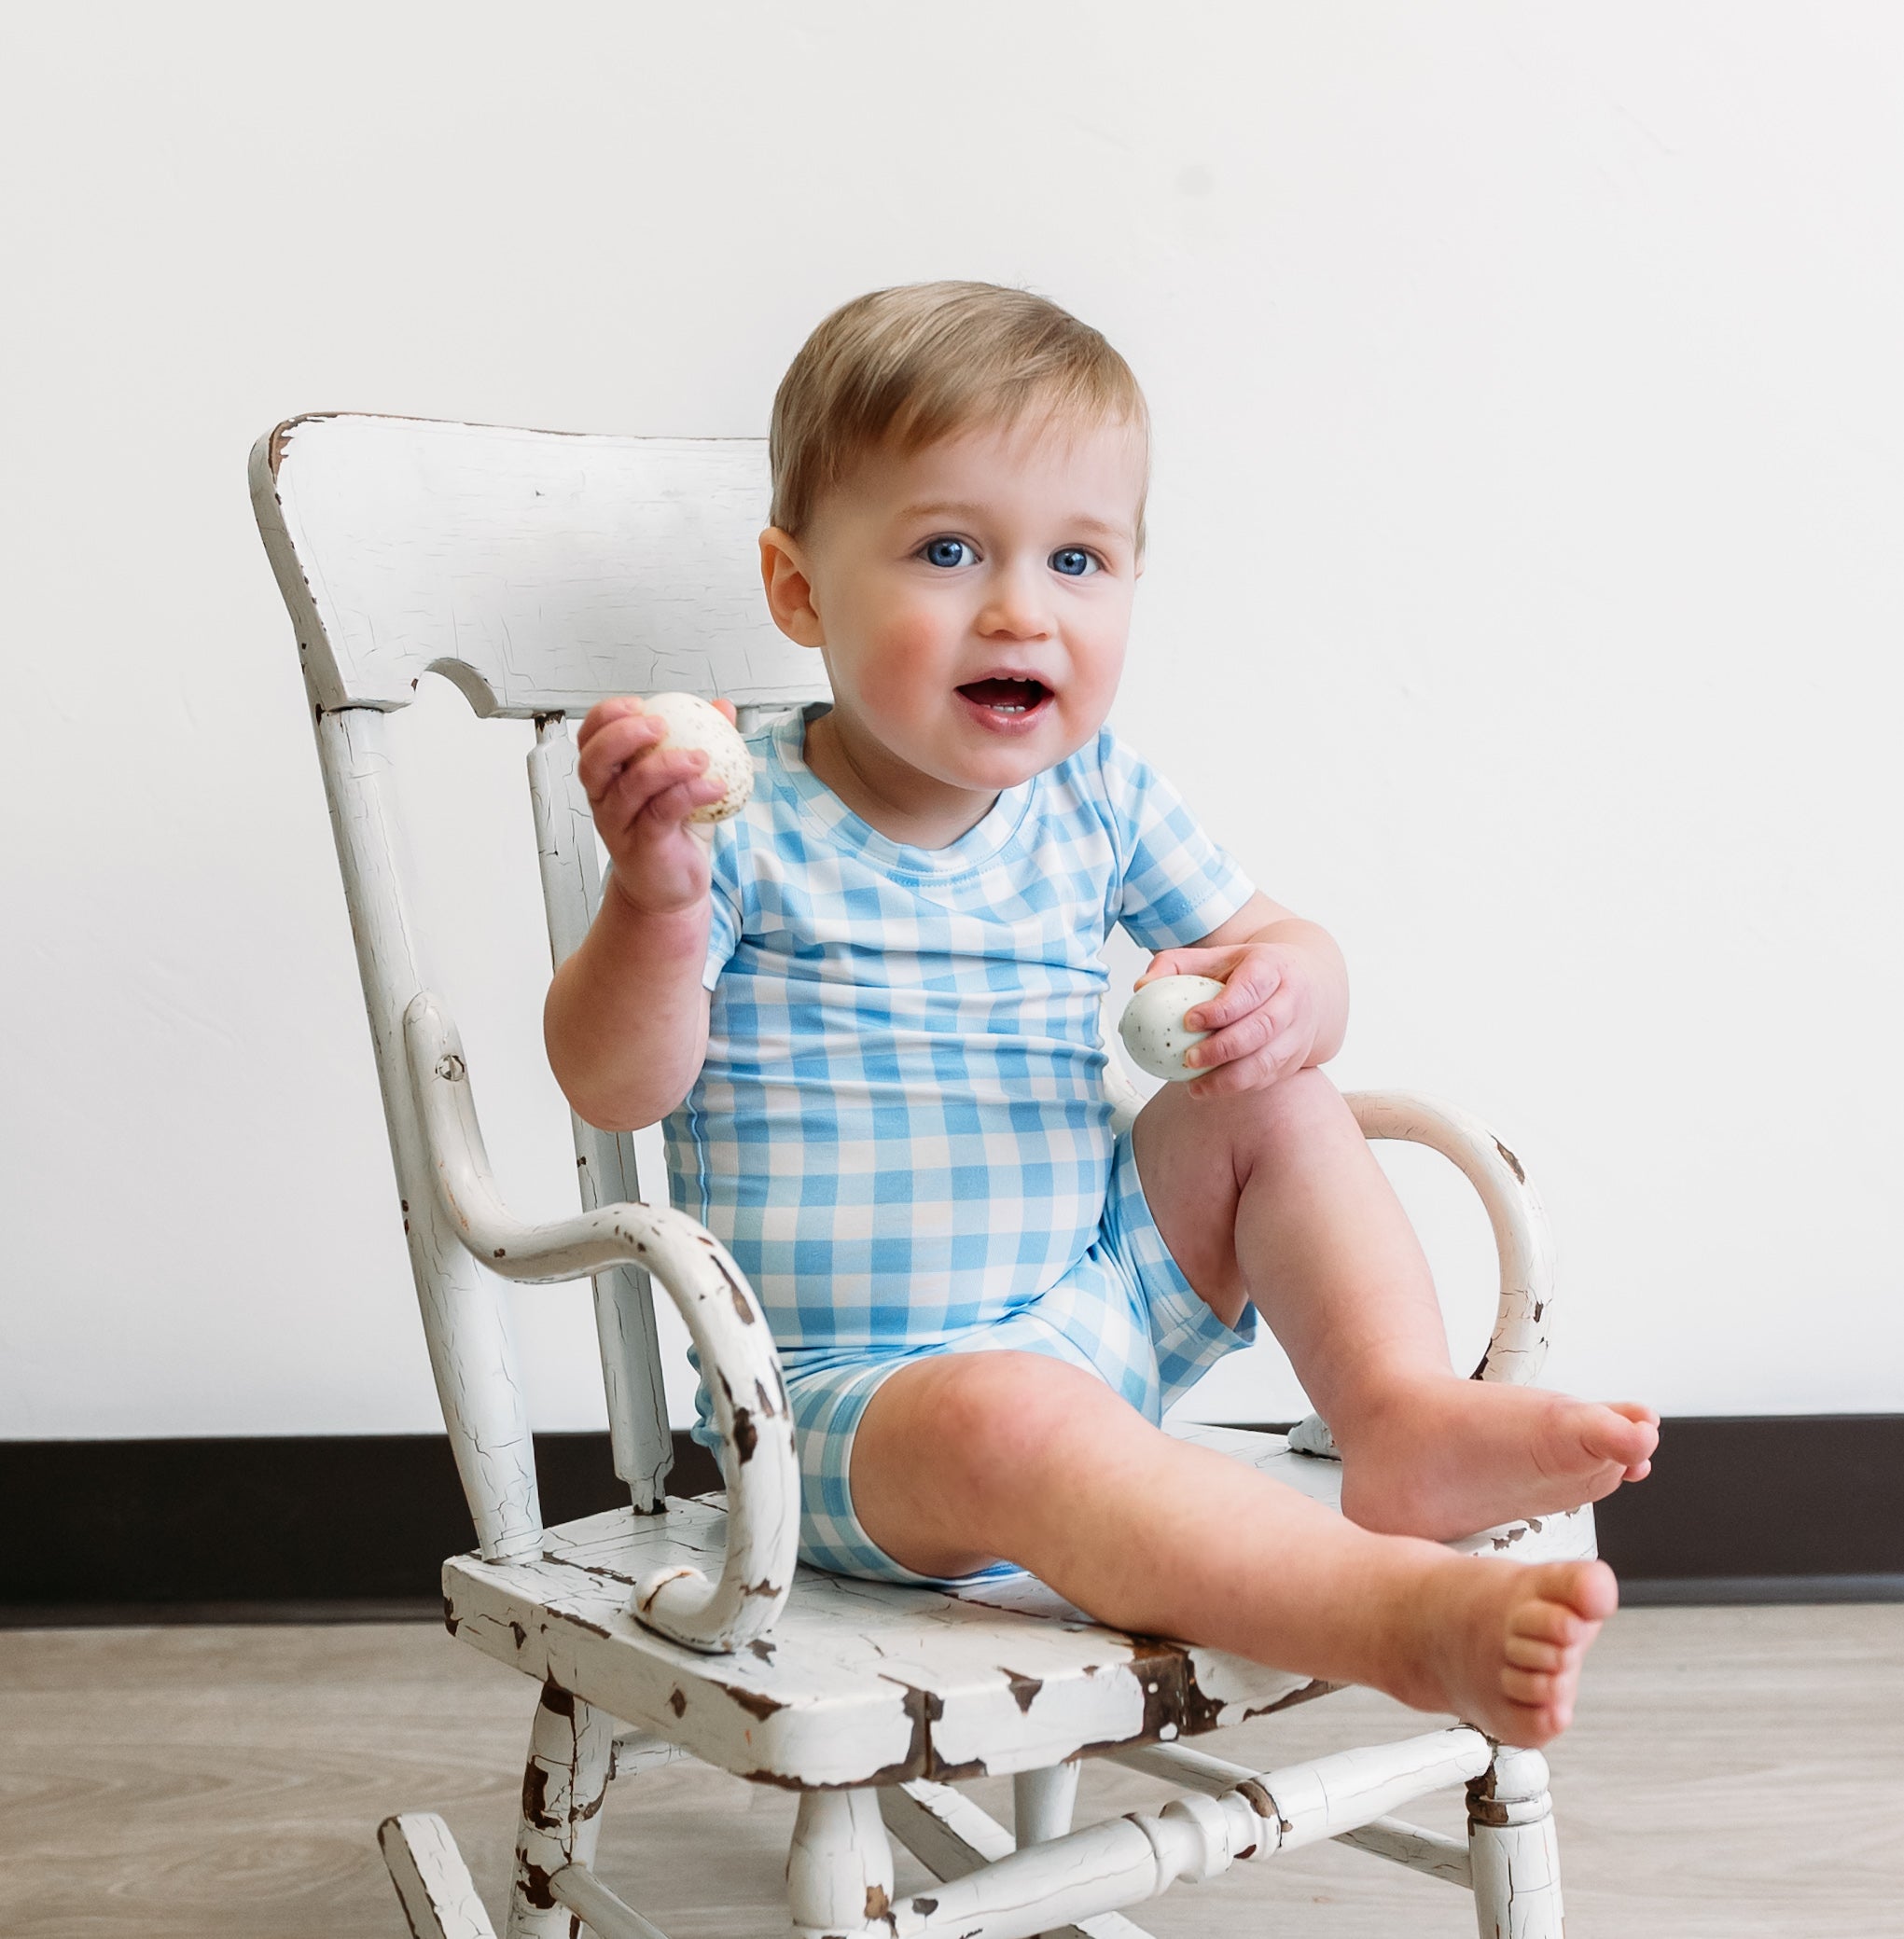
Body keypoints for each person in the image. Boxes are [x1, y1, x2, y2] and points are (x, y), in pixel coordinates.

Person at [544, 282, 1660, 1748]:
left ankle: (1393, 1414)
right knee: (1012, 1419)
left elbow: (1278, 941)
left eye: (1078, 558)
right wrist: (655, 903)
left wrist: (1285, 993)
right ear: (800, 590)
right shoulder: (742, 823)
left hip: (1099, 1302)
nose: (1021, 606)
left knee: (1273, 1091)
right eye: (948, 550)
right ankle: (1389, 1617)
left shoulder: (1098, 794)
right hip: (854, 1414)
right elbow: (615, 1086)